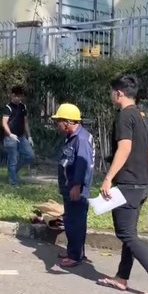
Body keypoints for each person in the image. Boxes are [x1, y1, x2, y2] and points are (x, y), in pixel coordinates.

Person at [96, 75, 148, 294]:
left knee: (126, 234)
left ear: (119, 93)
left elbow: (125, 147)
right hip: (141, 184)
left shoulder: (124, 116)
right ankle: (121, 277)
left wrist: (108, 178)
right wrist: (143, 177)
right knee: (130, 232)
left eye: (112, 92)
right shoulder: (143, 117)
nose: (111, 95)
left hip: (127, 184)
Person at [51, 103, 94, 267]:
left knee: (75, 222)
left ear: (68, 122)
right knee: (72, 220)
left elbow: (83, 164)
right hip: (70, 186)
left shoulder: (81, 139)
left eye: (58, 121)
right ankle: (74, 251)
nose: (57, 125)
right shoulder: (74, 137)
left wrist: (76, 185)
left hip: (76, 188)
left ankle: (75, 256)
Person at [0, 85, 34, 186]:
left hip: (21, 136)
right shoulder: (8, 108)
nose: (20, 98)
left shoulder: (23, 106)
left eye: (21, 96)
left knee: (30, 156)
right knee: (13, 159)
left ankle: (13, 173)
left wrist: (29, 136)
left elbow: (25, 122)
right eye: (18, 96)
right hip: (10, 137)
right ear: (12, 95)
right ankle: (13, 182)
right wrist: (10, 134)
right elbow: (4, 123)